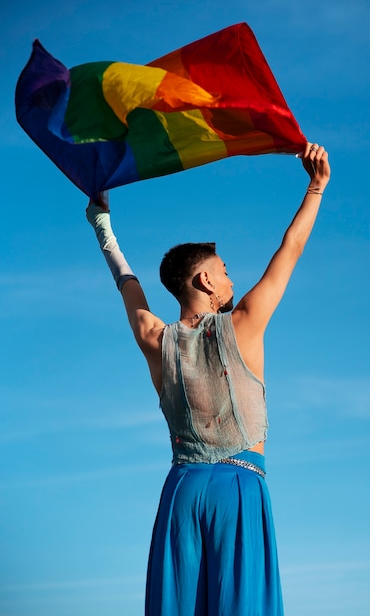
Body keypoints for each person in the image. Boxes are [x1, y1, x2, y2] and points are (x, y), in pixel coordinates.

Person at [86, 142, 330, 616]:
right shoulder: (245, 322)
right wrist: (316, 187)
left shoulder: (154, 337)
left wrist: (103, 226)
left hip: (182, 491)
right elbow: (291, 249)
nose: (230, 277)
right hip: (238, 489)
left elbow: (126, 283)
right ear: (204, 282)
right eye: (224, 270)